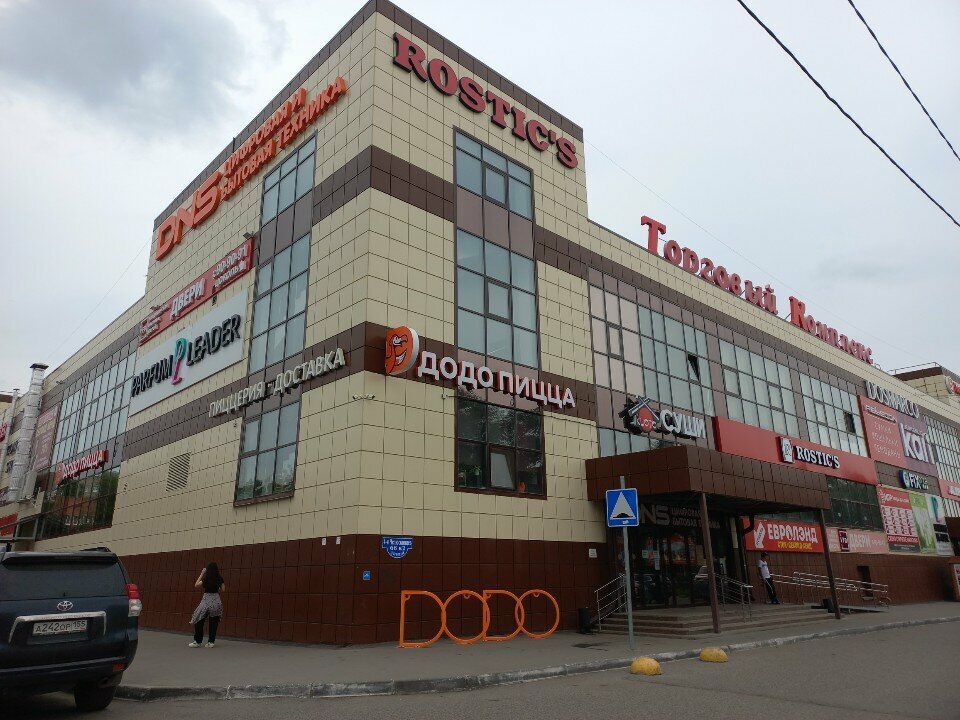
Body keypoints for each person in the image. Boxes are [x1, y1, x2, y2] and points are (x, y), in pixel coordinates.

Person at [189, 562, 225, 648]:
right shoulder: (219, 578)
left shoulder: (206, 578)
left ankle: (197, 641)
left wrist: (202, 574)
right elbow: (223, 589)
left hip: (206, 601)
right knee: (214, 622)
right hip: (216, 601)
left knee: (199, 620)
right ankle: (211, 642)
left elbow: (196, 585)